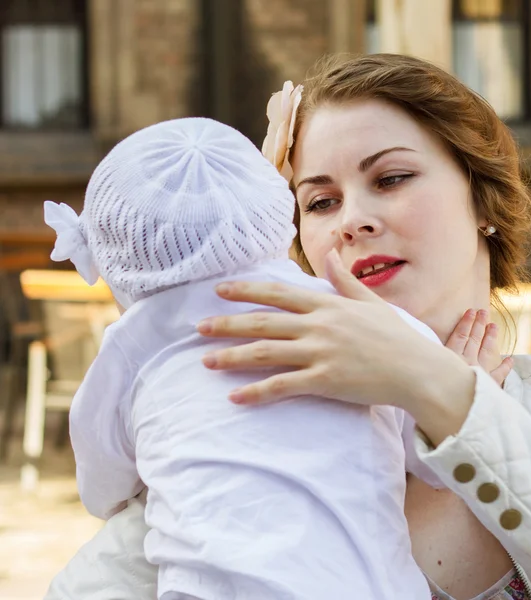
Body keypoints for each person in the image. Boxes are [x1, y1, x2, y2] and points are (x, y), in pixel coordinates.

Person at [46, 54, 531, 600]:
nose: (348, 222)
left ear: (484, 197)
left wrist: (438, 387)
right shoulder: (236, 412)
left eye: (392, 178)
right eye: (318, 202)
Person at [44, 116, 442, 600]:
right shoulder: (353, 318)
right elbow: (436, 454)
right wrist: (456, 375)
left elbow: (103, 483)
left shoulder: (134, 345)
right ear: (278, 218)